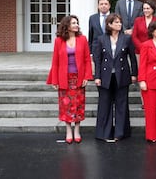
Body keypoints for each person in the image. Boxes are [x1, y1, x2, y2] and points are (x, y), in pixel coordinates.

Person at [46, 15, 92, 144]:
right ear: (67, 26)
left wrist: (87, 76)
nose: (76, 25)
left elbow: (87, 60)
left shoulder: (82, 39)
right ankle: (68, 131)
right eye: (73, 23)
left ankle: (77, 130)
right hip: (64, 78)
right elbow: (55, 61)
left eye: (77, 23)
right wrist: (54, 80)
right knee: (65, 105)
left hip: (78, 77)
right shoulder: (59, 41)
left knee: (79, 105)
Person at [93, 13, 138, 142]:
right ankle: (104, 133)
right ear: (109, 24)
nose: (119, 24)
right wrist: (97, 76)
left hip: (122, 75)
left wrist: (134, 74)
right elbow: (98, 59)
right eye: (116, 22)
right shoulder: (101, 39)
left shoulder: (126, 38)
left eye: (120, 22)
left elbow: (133, 58)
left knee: (121, 104)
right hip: (105, 75)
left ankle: (120, 132)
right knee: (104, 104)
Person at [132, 0, 156, 109]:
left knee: (154, 74)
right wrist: (143, 48)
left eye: (148, 8)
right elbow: (134, 36)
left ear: (153, 9)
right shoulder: (138, 21)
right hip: (140, 52)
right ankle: (144, 101)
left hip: (155, 52)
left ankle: (155, 100)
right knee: (143, 75)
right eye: (144, 8)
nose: (146, 10)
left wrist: (151, 48)